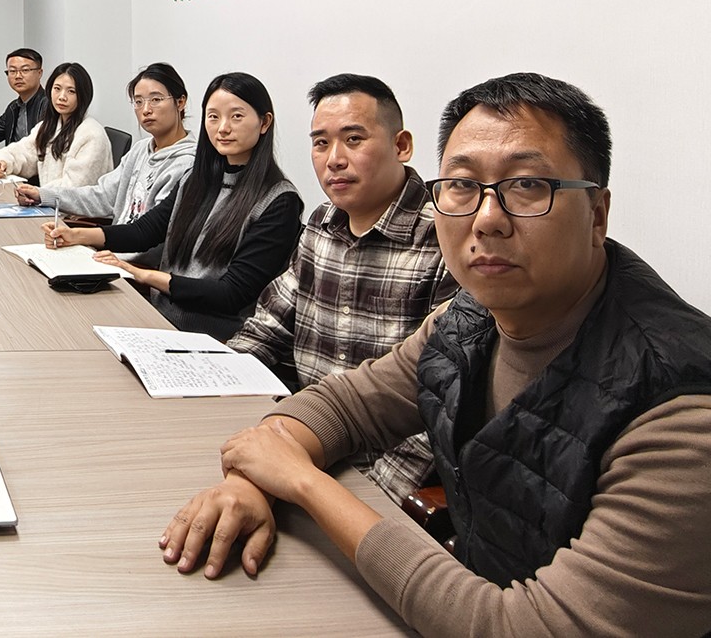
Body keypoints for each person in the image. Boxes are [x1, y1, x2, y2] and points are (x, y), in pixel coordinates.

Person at [160, 73, 711, 636]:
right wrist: (250, 483)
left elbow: (521, 627)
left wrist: (301, 482)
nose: (487, 219)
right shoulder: (469, 318)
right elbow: (345, 404)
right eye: (463, 186)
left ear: (597, 214)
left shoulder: (681, 416)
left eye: (527, 185)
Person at [227, 73, 457, 503]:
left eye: (353, 140)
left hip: (370, 479)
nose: (334, 159)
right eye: (320, 143)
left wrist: (353, 500)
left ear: (401, 145)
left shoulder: (445, 239)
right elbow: (267, 327)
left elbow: (437, 411)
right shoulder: (321, 223)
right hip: (299, 440)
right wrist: (216, 387)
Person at [44, 72, 302, 340]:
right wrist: (76, 235)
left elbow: (231, 294)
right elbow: (144, 231)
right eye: (213, 117)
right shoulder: (196, 179)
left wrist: (143, 275)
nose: (223, 128)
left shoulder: (279, 201)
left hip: (211, 338)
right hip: (159, 316)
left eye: (236, 116)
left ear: (264, 122)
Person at [17, 62, 195, 224]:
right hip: (114, 244)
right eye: (139, 102)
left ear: (180, 102)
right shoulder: (141, 150)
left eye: (156, 100)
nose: (146, 110)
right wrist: (43, 195)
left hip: (127, 248)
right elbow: (102, 196)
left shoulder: (188, 164)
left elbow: (152, 233)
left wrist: (89, 236)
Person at [0, 62, 112, 188]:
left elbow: (76, 187)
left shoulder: (92, 135)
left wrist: (38, 193)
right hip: (49, 200)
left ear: (84, 96)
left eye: (71, 91)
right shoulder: (48, 126)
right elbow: (24, 152)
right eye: (57, 89)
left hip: (68, 203)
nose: (62, 97)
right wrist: (2, 162)